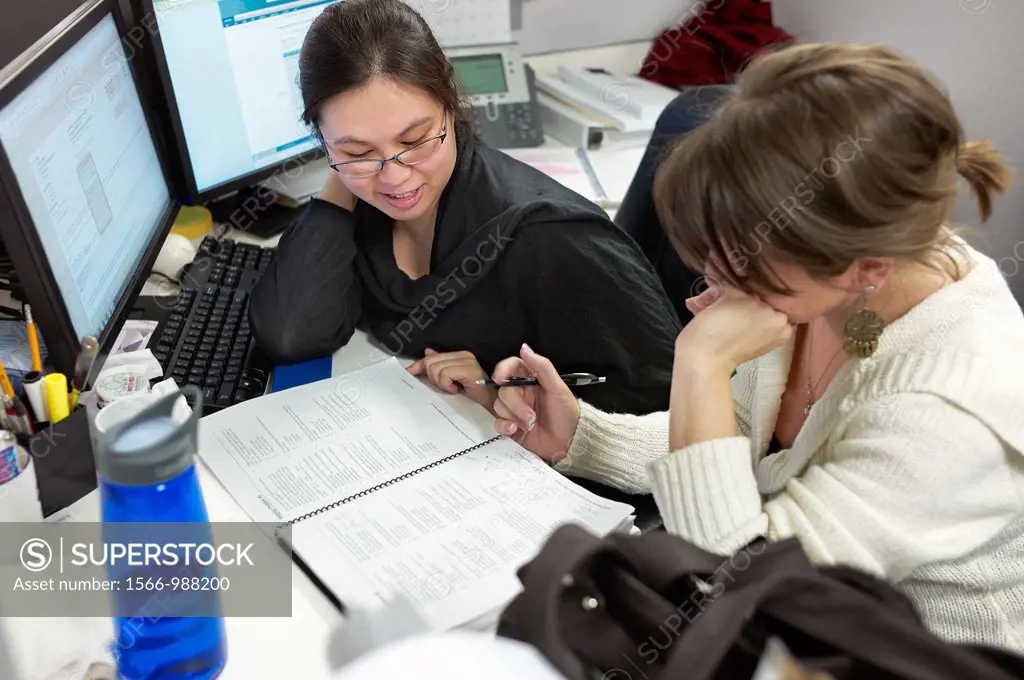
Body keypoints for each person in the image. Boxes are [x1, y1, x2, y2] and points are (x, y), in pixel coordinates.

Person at [488, 42, 1024, 652]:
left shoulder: (950, 414)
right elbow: (735, 444)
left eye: (743, 260)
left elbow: (732, 589)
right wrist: (584, 436)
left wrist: (702, 361)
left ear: (864, 267)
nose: (715, 279)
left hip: (906, 655)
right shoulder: (836, 284)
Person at [248, 0, 681, 416]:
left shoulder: (551, 238)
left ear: (449, 106)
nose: (395, 177)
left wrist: (502, 394)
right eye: (358, 149)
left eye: (414, 140)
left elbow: (675, 408)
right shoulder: (364, 208)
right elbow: (291, 334)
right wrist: (344, 175)